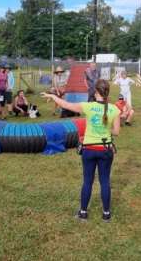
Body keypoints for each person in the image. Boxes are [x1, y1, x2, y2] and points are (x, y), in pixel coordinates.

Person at [41, 79, 120, 222]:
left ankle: (83, 213)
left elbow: (66, 105)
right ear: (107, 92)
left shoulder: (88, 107)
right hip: (106, 149)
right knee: (105, 181)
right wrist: (104, 128)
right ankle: (106, 214)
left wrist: (53, 96)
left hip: (89, 150)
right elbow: (116, 132)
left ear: (96, 92)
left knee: (87, 181)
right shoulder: (114, 109)